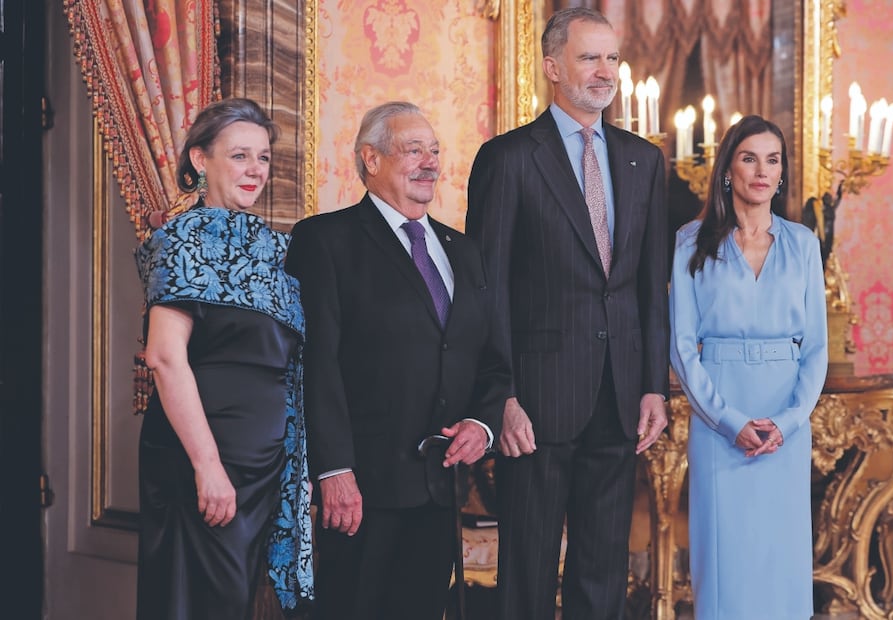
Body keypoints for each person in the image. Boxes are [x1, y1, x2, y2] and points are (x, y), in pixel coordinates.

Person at [466, 8, 670, 619]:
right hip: (535, 401)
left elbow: (648, 288)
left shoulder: (644, 160)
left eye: (612, 58)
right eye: (589, 58)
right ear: (553, 67)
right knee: (527, 571)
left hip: (619, 396)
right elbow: (488, 288)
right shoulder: (508, 159)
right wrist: (499, 394)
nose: (605, 71)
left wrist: (653, 386)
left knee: (603, 569)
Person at [284, 101, 509, 620]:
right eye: (414, 150)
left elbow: (491, 360)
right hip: (361, 491)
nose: (430, 162)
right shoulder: (325, 240)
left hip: (441, 490)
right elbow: (315, 366)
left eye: (435, 151)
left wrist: (482, 421)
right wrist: (334, 471)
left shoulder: (463, 250)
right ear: (371, 158)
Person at [134, 98, 314, 619]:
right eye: (239, 156)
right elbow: (165, 358)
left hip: (265, 467)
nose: (254, 170)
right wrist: (207, 466)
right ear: (199, 160)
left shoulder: (279, 251)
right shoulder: (181, 240)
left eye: (262, 158)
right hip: (204, 461)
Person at [668, 115, 828, 620]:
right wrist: (729, 421)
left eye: (773, 159)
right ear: (727, 169)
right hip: (721, 426)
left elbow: (816, 349)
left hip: (786, 424)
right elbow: (680, 345)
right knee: (726, 563)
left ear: (782, 174)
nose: (762, 171)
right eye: (749, 157)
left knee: (779, 560)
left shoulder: (803, 243)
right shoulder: (691, 242)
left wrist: (787, 421)